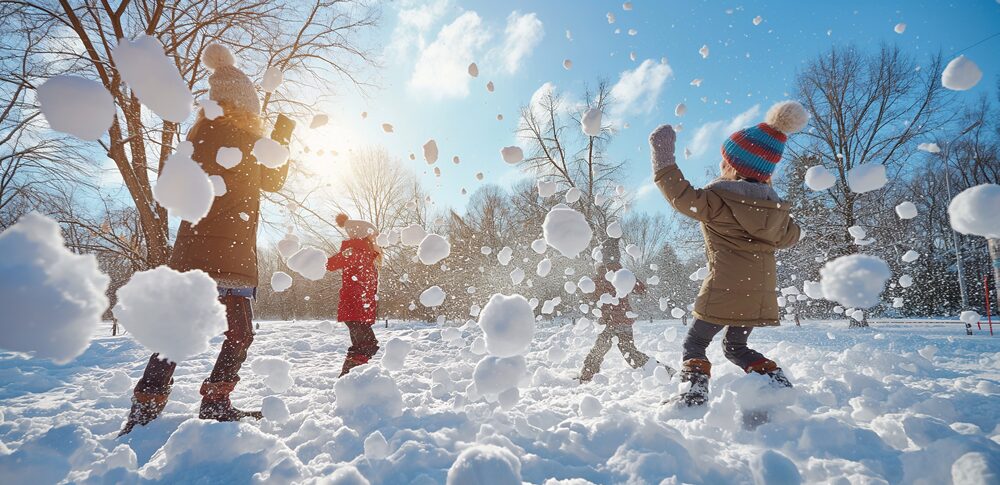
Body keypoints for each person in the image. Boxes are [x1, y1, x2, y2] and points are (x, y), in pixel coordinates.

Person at [120, 43, 293, 435]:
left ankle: (148, 407)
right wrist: (280, 135)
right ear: (243, 105)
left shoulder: (201, 137)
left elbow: (265, 180)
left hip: (202, 251)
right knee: (238, 332)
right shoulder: (235, 139)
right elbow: (275, 179)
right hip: (226, 252)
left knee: (182, 331)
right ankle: (211, 401)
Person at [649, 100, 807, 406]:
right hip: (759, 294)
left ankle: (694, 394)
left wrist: (663, 156)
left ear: (732, 166)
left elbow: (680, 196)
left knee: (695, 343)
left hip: (724, 288)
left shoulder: (719, 201)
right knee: (736, 347)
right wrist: (779, 215)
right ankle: (776, 381)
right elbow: (792, 237)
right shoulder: (773, 211)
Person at [578, 243, 669, 382]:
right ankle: (662, 372)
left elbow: (587, 295)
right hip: (624, 321)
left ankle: (586, 377)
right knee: (630, 353)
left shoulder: (600, 276)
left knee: (598, 351)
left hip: (609, 322)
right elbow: (642, 290)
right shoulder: (623, 274)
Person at [327, 214, 382, 376]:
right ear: (364, 235)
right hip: (355, 309)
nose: (376, 240)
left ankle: (349, 379)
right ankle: (347, 377)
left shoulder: (366, 254)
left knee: (362, 346)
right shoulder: (354, 252)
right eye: (373, 236)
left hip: (360, 309)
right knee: (368, 345)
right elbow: (329, 264)